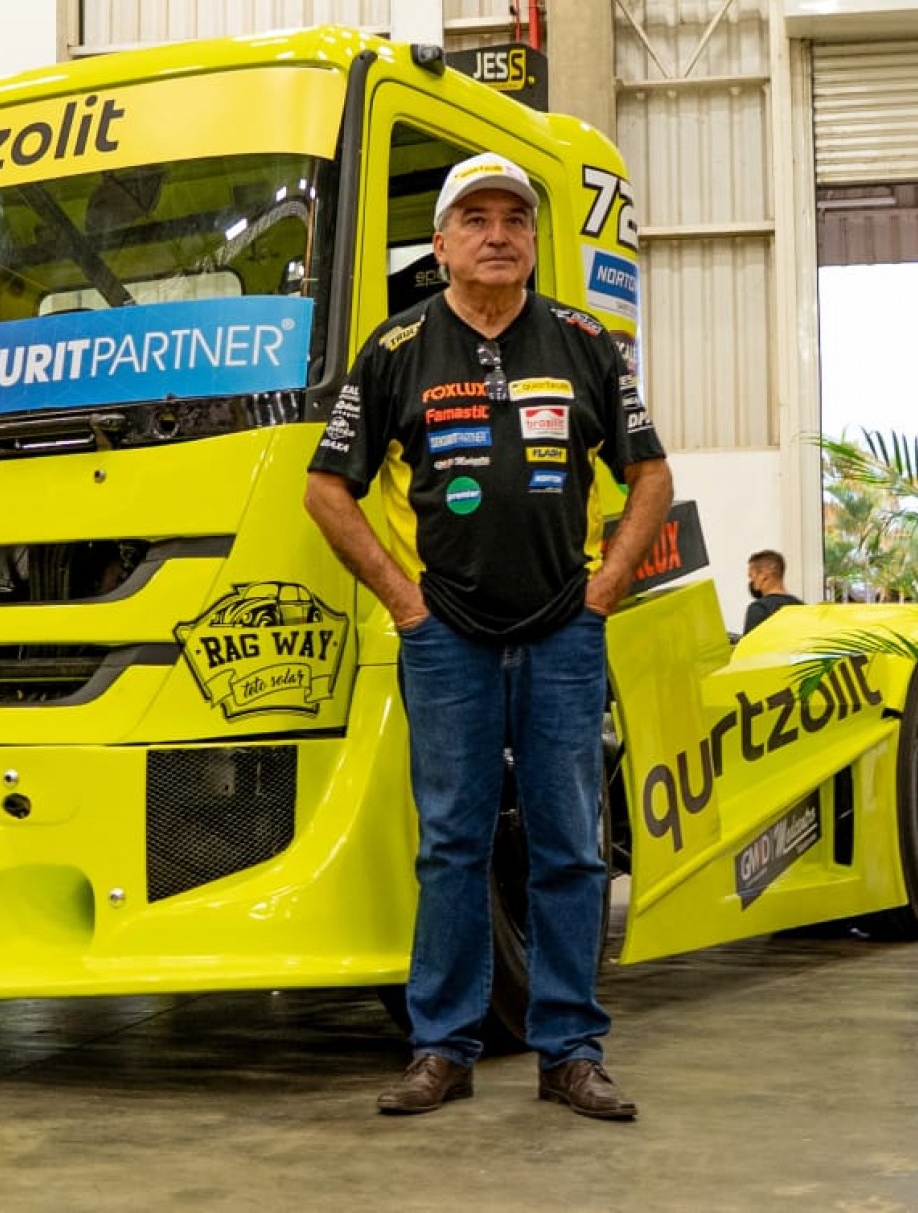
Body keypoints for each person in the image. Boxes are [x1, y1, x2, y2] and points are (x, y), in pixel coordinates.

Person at [305, 152, 672, 1121]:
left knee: (570, 849)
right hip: (446, 639)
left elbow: (649, 476)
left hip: (564, 635)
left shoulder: (585, 342)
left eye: (514, 218)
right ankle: (442, 1048)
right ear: (440, 243)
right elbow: (325, 489)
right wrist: (403, 602)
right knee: (452, 846)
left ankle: (570, 1052)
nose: (497, 234)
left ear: (534, 241)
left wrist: (601, 591)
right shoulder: (395, 348)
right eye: (475, 218)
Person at [742, 550, 803, 635]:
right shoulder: (802, 607)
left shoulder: (759, 608)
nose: (752, 581)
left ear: (763, 576)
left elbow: (750, 643)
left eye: (751, 576)